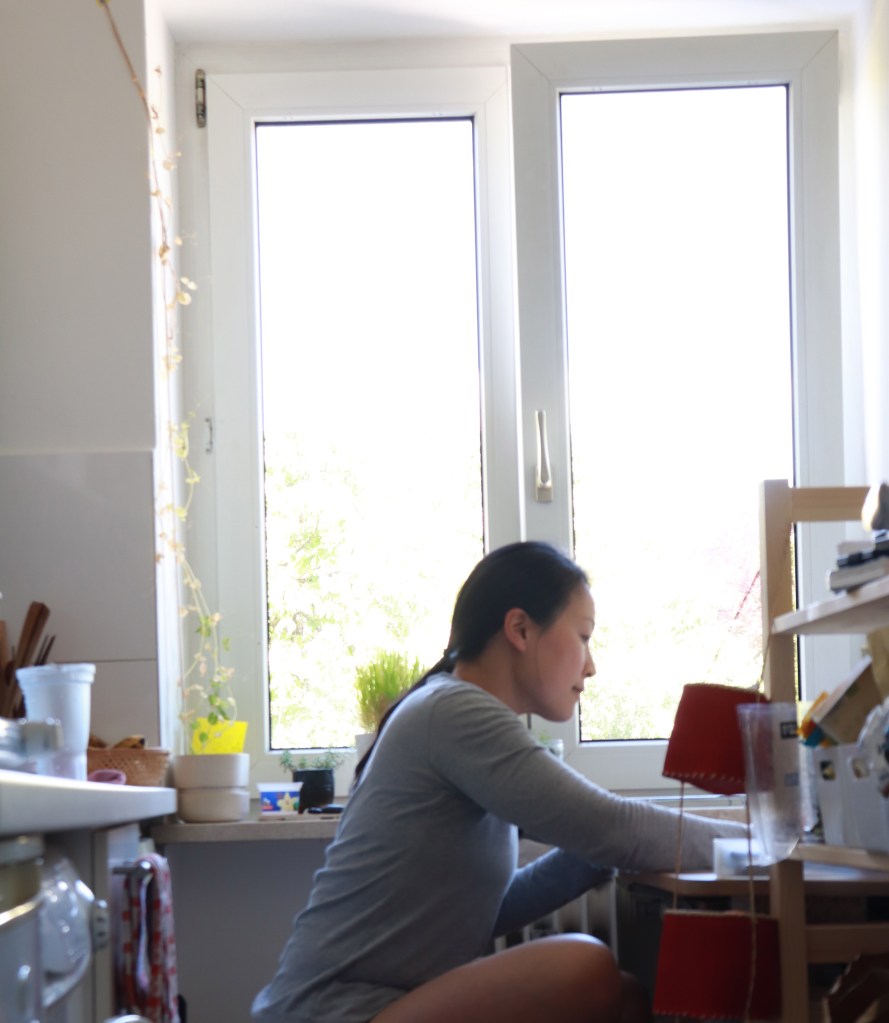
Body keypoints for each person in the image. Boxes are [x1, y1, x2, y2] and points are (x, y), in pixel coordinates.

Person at [252, 541, 748, 1023]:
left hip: (385, 1003)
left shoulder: (453, 711)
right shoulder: (454, 712)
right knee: (585, 968)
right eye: (583, 636)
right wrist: (760, 846)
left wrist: (593, 855)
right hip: (334, 1010)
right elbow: (613, 825)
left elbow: (480, 915)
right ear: (520, 629)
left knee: (627, 998)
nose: (591, 665)